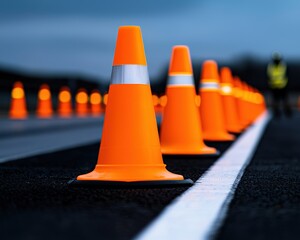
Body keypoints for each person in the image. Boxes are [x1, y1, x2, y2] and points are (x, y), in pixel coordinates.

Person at [267, 52, 291, 117]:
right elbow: (268, 76)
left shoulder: (283, 66)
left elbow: (287, 75)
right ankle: (277, 112)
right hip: (274, 86)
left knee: (285, 100)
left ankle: (287, 112)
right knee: (276, 101)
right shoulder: (271, 67)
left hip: (282, 86)